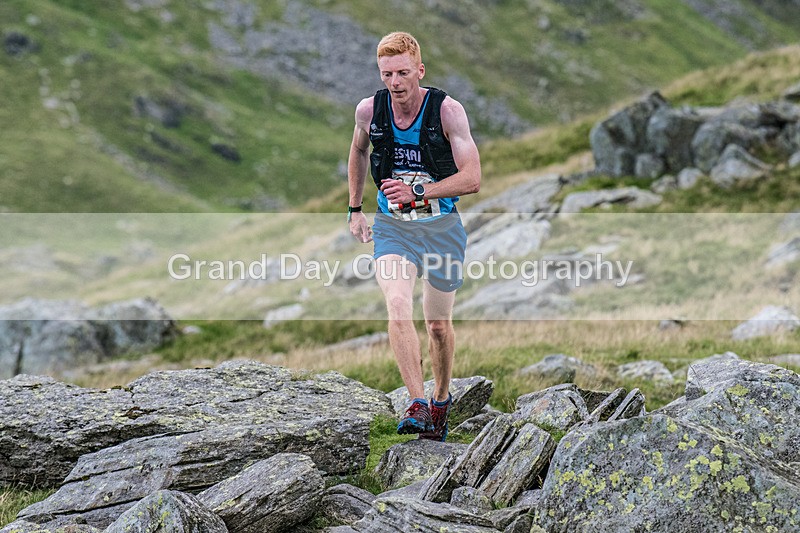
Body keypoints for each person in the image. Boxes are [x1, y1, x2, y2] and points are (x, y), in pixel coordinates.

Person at [346, 31, 481, 441]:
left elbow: (472, 179)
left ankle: (441, 399)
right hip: (394, 229)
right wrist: (355, 208)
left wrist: (418, 190)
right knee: (398, 305)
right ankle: (416, 401)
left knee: (438, 325)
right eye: (387, 73)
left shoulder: (448, 112)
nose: (395, 82)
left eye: (403, 72)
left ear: (419, 70)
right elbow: (358, 151)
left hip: (441, 229)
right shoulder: (370, 111)